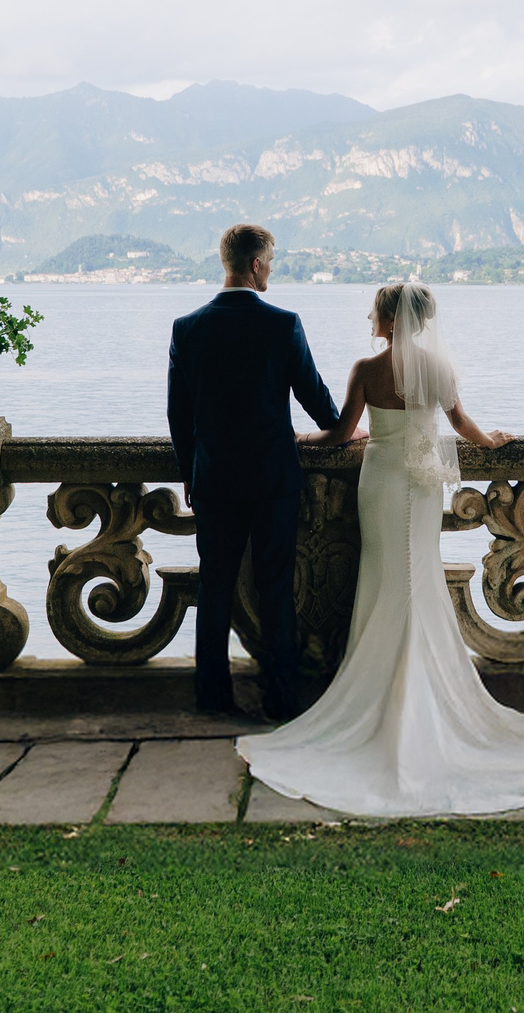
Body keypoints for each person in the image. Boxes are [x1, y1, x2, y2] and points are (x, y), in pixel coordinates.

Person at [238, 281, 524, 815]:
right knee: (420, 575)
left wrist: (298, 440)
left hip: (383, 478)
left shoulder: (366, 369)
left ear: (388, 317)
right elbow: (461, 425)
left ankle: (380, 692)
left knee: (385, 574)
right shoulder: (438, 369)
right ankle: (427, 690)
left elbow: (341, 433)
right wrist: (492, 443)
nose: (368, 318)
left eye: (374, 312)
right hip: (424, 482)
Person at [167, 223, 363, 720]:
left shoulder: (187, 328)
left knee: (215, 587)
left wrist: (189, 471)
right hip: (273, 479)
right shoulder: (283, 324)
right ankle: (281, 699)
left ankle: (211, 698)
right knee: (276, 589)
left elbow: (178, 414)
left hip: (212, 479)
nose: (272, 267)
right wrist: (350, 429)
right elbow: (319, 405)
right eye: (271, 260)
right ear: (255, 264)